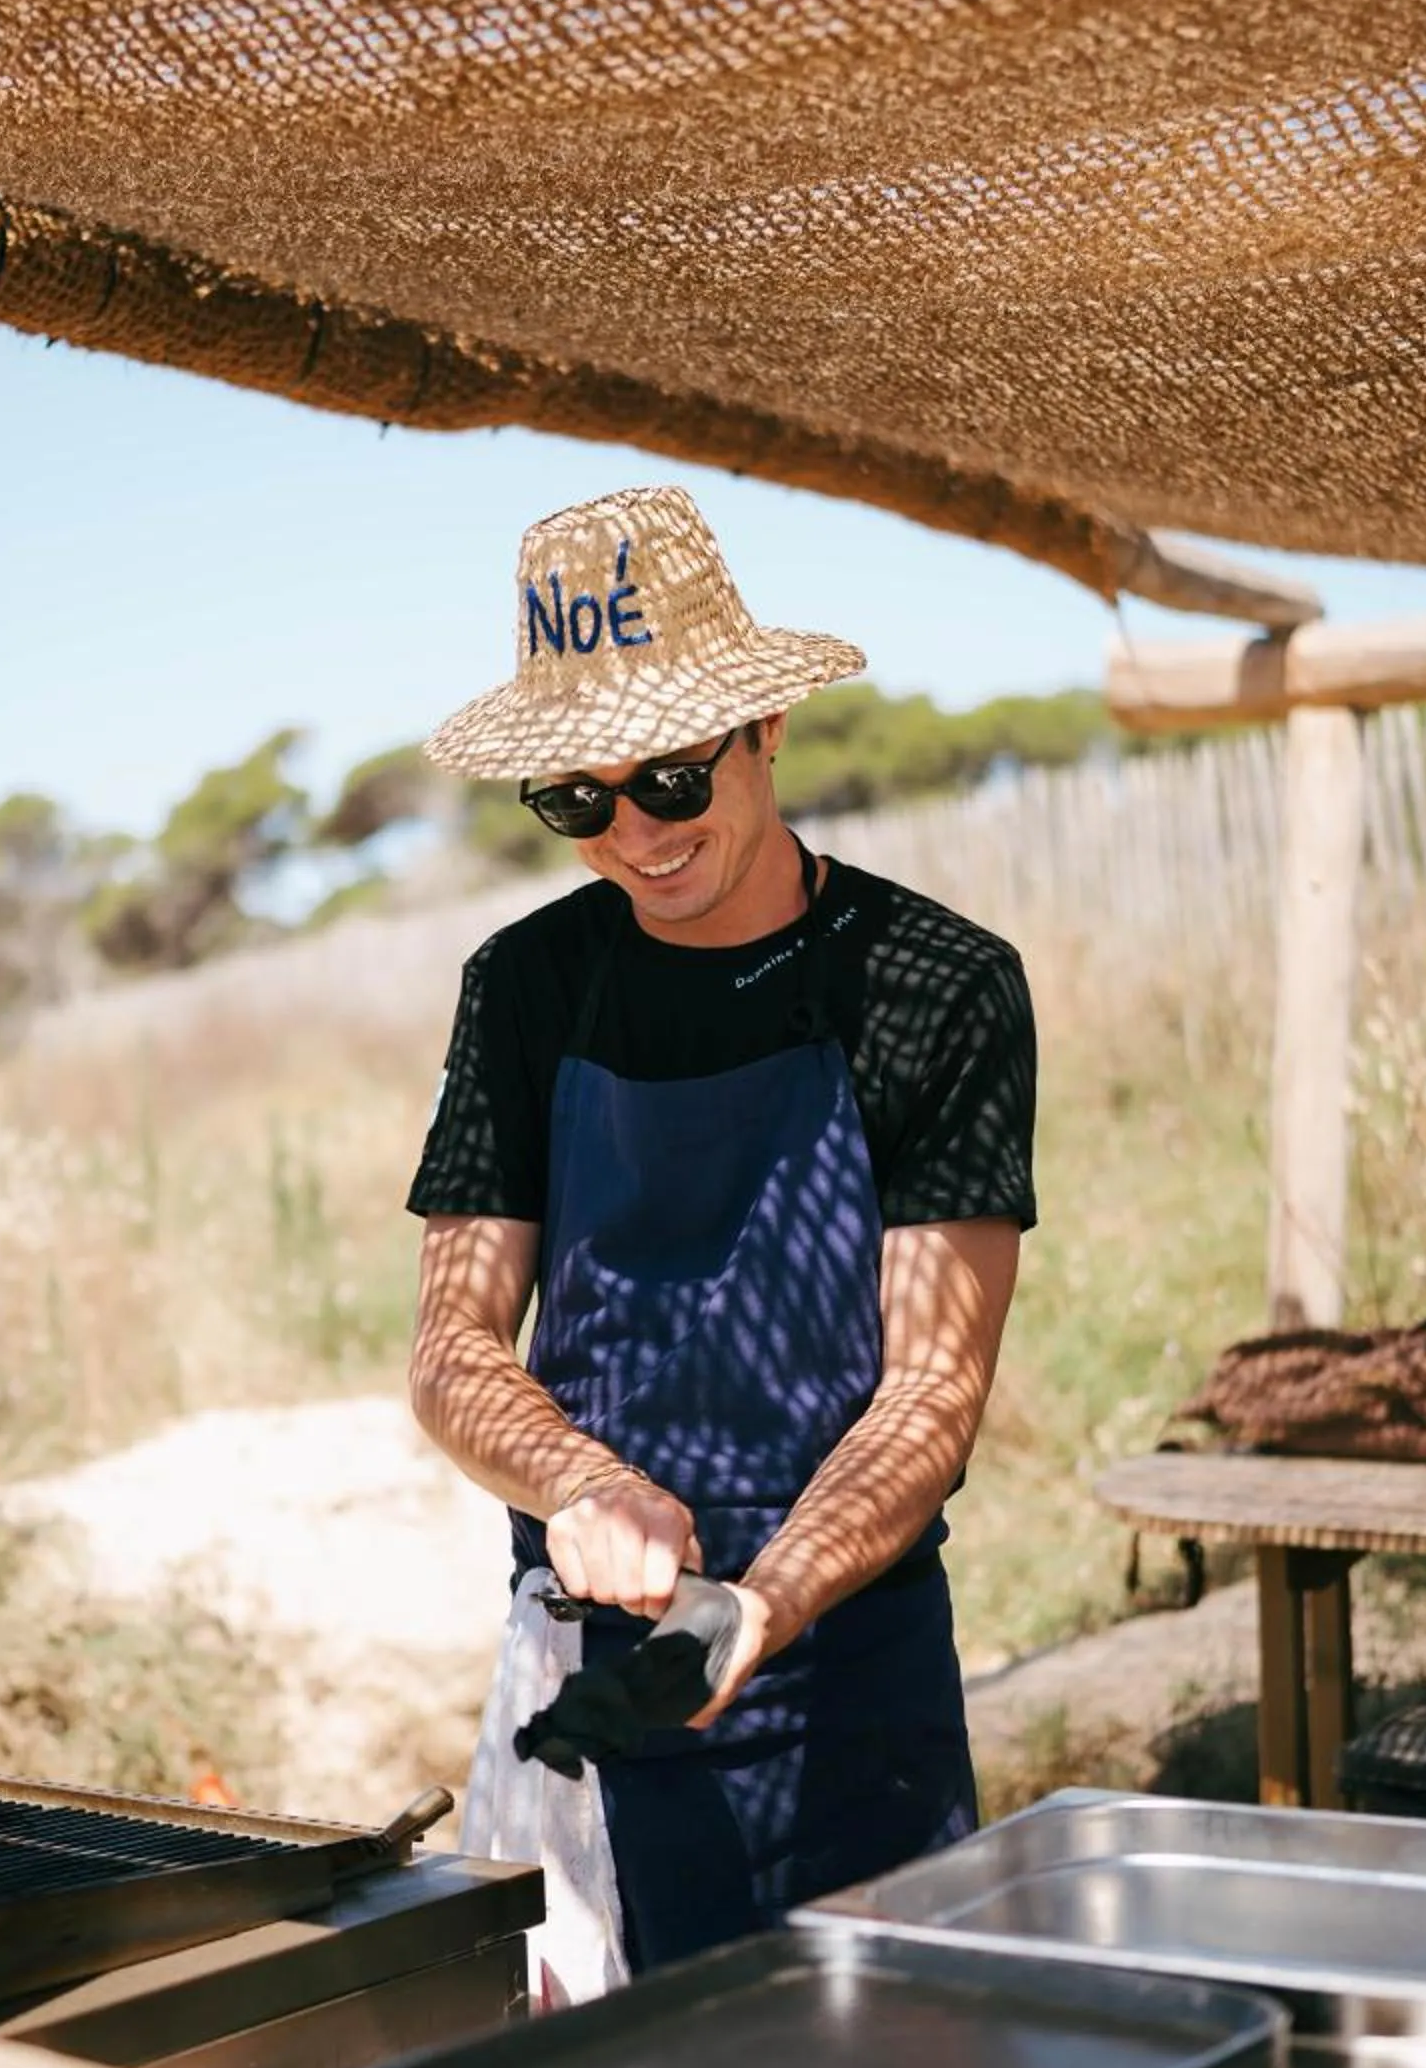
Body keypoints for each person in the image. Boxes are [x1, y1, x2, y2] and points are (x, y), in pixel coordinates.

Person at [406, 483, 1035, 1989]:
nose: (635, 836)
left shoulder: (933, 986)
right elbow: (451, 1347)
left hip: (855, 1671)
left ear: (767, 732)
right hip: (587, 1663)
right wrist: (585, 1482)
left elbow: (932, 1389)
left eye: (674, 779)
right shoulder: (528, 987)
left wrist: (766, 1601)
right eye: (579, 801)